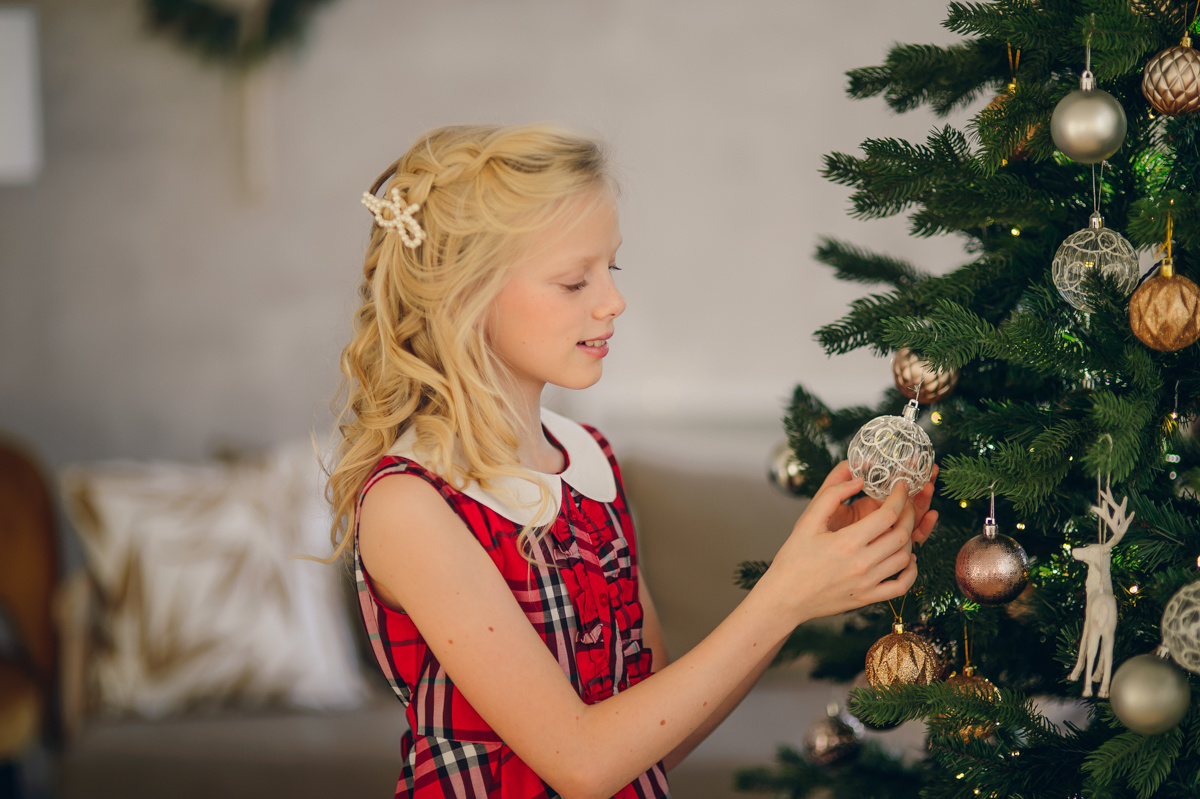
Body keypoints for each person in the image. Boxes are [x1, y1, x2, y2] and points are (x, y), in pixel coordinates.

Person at [326, 123, 937, 799]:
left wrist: (805, 579)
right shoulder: (412, 504)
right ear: (462, 296)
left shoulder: (590, 462)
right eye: (572, 280)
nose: (612, 301)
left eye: (609, 269)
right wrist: (782, 593)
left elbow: (648, 741)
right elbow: (582, 762)